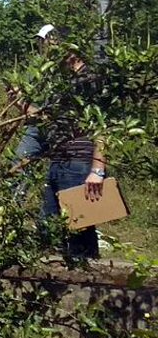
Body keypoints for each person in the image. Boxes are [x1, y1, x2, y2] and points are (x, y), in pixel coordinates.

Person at [9, 23, 106, 258]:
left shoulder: (89, 78)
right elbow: (46, 119)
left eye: (50, 46)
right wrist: (19, 101)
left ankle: (89, 283)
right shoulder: (60, 83)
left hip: (78, 163)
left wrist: (98, 169)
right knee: (49, 229)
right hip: (58, 161)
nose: (46, 52)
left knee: (79, 230)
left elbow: (103, 125)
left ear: (67, 47)